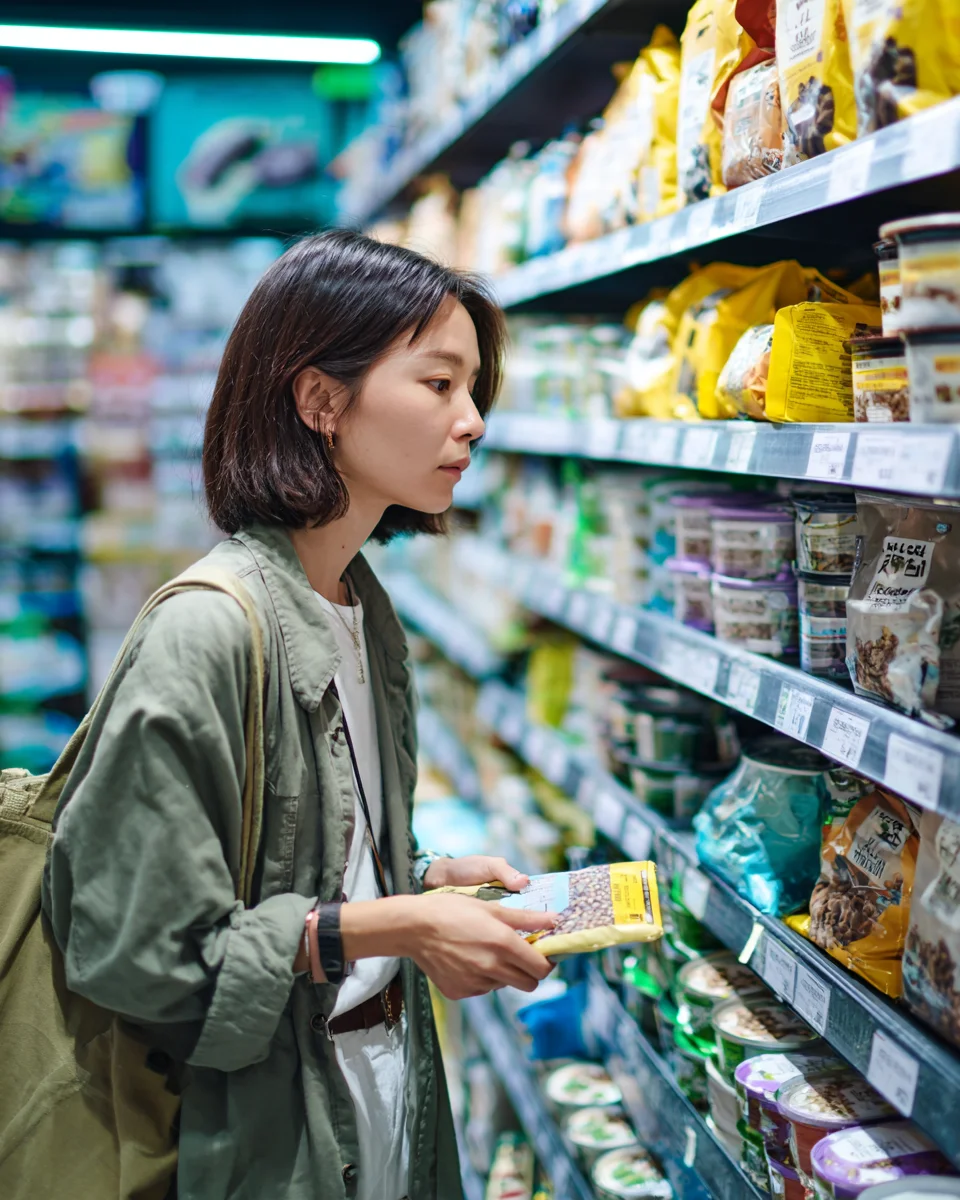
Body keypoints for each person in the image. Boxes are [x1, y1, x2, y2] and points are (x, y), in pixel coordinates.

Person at [41, 231, 558, 1200]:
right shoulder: (205, 635)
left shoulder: (367, 613)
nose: (475, 420)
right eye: (440, 384)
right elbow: (137, 950)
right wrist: (398, 925)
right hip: (260, 1143)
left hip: (378, 1104)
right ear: (321, 401)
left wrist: (425, 888)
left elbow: (300, 867)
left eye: (476, 389)